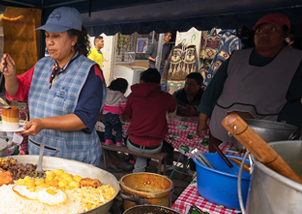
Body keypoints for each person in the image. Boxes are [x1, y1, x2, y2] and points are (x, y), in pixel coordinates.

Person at [0, 6, 106, 165]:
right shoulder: (42, 65)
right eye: (47, 35)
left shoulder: (90, 72)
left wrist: (43, 123)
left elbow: (84, 118)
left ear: (73, 39)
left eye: (56, 36)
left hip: (74, 159)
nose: (49, 42)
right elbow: (16, 91)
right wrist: (9, 75)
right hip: (40, 154)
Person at [197, 13, 302, 151]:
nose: (264, 34)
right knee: (217, 167)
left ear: (285, 33)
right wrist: (202, 119)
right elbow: (213, 89)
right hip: (222, 128)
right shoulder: (237, 57)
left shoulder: (295, 60)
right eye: (259, 30)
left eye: (272, 29)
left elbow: (296, 101)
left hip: (265, 134)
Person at [124, 68, 177, 173]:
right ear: (158, 82)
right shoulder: (166, 97)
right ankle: (142, 169)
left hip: (133, 144)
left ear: (142, 81)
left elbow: (127, 116)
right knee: (166, 140)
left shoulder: (133, 96)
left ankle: (136, 167)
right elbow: (173, 109)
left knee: (125, 135)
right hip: (155, 146)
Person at [102, 78, 128, 146]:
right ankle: (119, 142)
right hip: (114, 115)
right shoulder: (121, 95)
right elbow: (123, 106)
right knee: (118, 128)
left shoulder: (106, 92)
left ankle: (107, 140)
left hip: (104, 114)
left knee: (108, 128)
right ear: (123, 89)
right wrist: (121, 112)